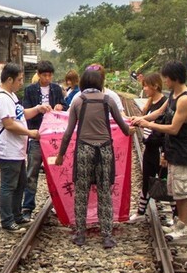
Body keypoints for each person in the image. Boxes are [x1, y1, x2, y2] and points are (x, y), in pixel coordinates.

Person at [52, 66, 133, 248]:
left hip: (84, 150)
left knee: (81, 192)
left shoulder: (78, 101)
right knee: (104, 192)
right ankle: (107, 236)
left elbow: (68, 133)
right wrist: (131, 130)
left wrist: (60, 155)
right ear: (99, 83)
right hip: (104, 150)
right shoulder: (108, 100)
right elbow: (123, 127)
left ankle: (80, 234)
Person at [131, 60, 187, 240]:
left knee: (183, 191)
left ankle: (183, 226)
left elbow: (174, 128)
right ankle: (179, 224)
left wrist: (148, 124)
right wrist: (140, 118)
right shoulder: (173, 96)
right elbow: (159, 112)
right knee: (176, 190)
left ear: (174, 78)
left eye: (166, 78)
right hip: (173, 150)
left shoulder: (184, 99)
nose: (165, 81)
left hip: (183, 151)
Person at [0, 63, 48, 232]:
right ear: (10, 80)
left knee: (20, 183)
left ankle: (16, 215)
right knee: (9, 185)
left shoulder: (11, 97)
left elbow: (20, 114)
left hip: (16, 150)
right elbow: (9, 125)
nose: (21, 83)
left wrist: (38, 109)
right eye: (19, 79)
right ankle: (7, 221)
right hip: (8, 150)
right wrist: (30, 133)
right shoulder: (2, 99)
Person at [21, 60, 65, 220]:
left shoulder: (56, 89)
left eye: (50, 75)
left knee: (57, 172)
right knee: (31, 173)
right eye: (44, 75)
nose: (47, 78)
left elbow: (65, 106)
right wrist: (39, 109)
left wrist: (60, 106)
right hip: (38, 135)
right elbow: (26, 110)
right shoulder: (30, 90)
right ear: (38, 75)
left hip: (54, 136)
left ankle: (59, 205)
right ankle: (27, 207)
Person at [130, 72, 168, 222]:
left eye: (146, 85)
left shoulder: (164, 103)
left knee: (163, 180)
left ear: (155, 85)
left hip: (159, 148)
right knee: (147, 179)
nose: (144, 88)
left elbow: (166, 130)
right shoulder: (151, 103)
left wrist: (164, 153)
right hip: (150, 147)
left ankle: (175, 214)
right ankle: (140, 211)